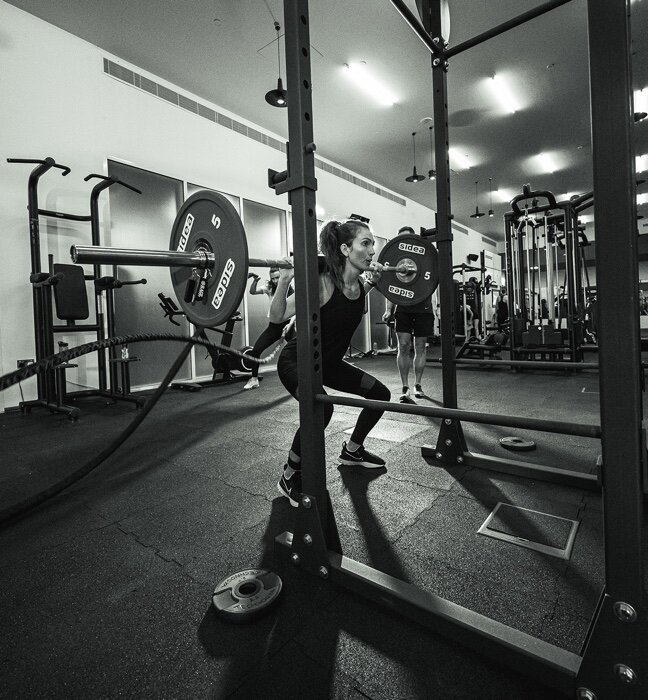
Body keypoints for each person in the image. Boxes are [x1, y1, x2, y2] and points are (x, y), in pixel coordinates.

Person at [270, 219, 391, 507]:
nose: (372, 251)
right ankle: (289, 475)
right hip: (297, 362)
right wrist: (285, 280)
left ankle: (352, 450)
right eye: (365, 243)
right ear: (345, 249)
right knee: (321, 409)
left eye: (373, 244)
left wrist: (373, 282)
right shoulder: (323, 284)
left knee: (380, 395)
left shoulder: (359, 286)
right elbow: (277, 317)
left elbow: (348, 303)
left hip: (329, 364)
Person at [382, 226, 435, 405]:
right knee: (403, 346)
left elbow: (433, 280)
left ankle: (417, 384)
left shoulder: (424, 257)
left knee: (420, 347)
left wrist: (437, 306)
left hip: (423, 308)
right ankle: (405, 387)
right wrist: (389, 310)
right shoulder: (398, 262)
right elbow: (391, 288)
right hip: (403, 308)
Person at [243, 269, 294, 391]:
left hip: (288, 325)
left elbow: (295, 311)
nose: (275, 281)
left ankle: (302, 379)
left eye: (277, 277)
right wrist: (255, 281)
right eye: (273, 278)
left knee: (299, 352)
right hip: (274, 326)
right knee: (256, 350)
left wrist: (290, 324)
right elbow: (253, 291)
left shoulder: (291, 291)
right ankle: (254, 379)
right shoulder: (270, 288)